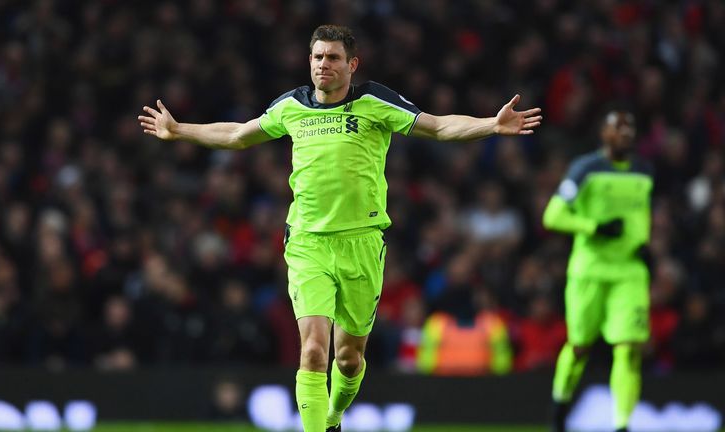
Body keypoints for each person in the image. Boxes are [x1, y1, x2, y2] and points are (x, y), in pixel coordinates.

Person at [139, 24, 542, 432]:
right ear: (309, 62)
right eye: (317, 57)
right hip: (308, 243)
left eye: (333, 58)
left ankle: (334, 417)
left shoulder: (373, 101)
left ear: (352, 64)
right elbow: (239, 134)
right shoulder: (292, 106)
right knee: (314, 350)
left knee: (348, 359)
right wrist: (178, 130)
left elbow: (437, 126)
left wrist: (491, 124)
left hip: (362, 244)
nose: (323, 65)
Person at [543, 111, 653, 432]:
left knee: (629, 348)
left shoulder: (645, 171)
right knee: (578, 347)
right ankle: (559, 410)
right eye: (618, 129)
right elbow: (553, 215)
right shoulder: (585, 169)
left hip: (629, 271)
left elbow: (641, 213)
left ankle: (622, 425)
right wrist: (594, 227)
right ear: (603, 134)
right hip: (589, 269)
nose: (626, 135)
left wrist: (643, 241)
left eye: (630, 129)